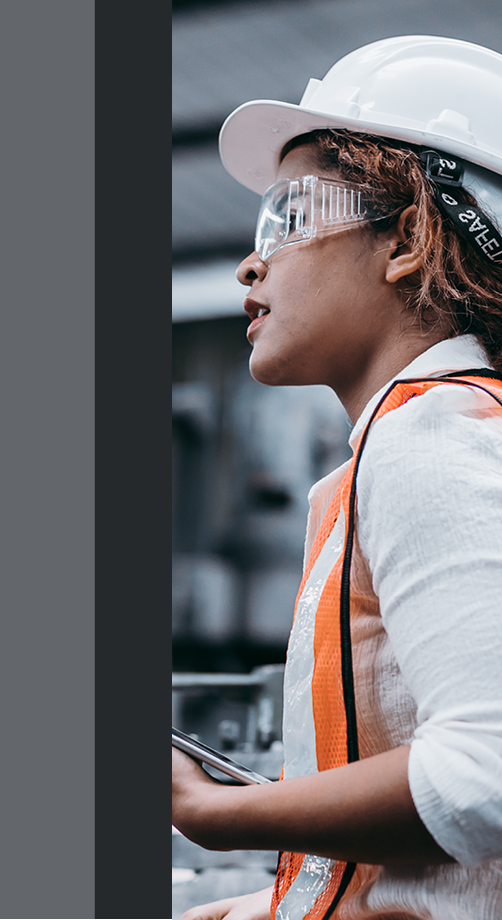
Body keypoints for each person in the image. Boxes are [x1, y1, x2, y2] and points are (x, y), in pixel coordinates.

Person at [171, 35, 502, 920]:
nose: (253, 262)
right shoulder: (422, 436)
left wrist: (215, 812)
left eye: (290, 214)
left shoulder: (435, 435)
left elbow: (485, 777)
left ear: (406, 240)